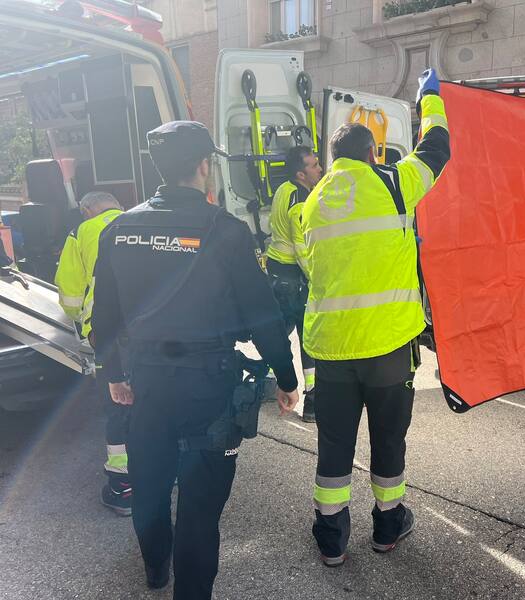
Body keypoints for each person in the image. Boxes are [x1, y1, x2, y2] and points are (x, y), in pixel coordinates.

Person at [92, 121, 299, 599]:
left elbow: (104, 315)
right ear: (205, 167)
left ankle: (155, 571)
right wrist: (287, 378)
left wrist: (115, 376)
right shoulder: (225, 231)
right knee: (200, 510)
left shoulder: (120, 229)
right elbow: (262, 316)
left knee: (149, 485)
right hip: (209, 387)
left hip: (146, 383)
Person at [301, 69, 450, 565]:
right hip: (388, 348)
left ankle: (331, 536)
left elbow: (321, 264)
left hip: (332, 351)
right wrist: (430, 100)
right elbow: (437, 150)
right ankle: (387, 527)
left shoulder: (313, 201)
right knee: (388, 441)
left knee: (334, 444)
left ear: (332, 159)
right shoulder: (391, 182)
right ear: (372, 154)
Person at [54, 191, 129, 515]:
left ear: (86, 210)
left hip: (108, 334)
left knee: (118, 404)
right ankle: (166, 471)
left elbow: (70, 292)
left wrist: (80, 322)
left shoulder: (82, 231)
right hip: (153, 330)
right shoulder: (141, 221)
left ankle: (123, 485)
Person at [265, 145, 323, 422]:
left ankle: (266, 379)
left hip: (276, 273)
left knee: (276, 334)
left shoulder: (283, 190)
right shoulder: (300, 203)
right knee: (308, 341)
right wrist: (318, 280)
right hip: (294, 280)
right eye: (314, 166)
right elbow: (303, 251)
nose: (320, 169)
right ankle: (312, 401)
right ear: (301, 174)